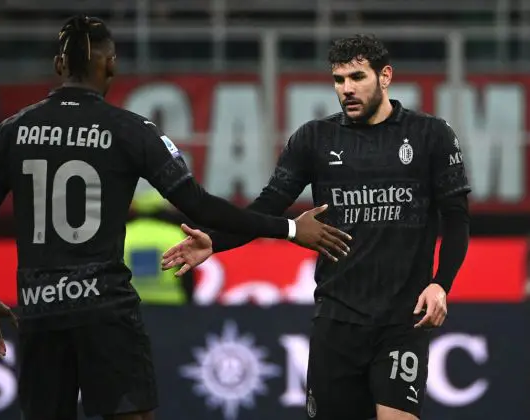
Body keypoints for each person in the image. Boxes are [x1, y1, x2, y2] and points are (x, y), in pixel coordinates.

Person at [0, 15, 352, 420]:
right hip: (105, 311)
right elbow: (199, 205)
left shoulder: (12, 131)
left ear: (59, 65)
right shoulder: (132, 131)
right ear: (111, 64)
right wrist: (287, 227)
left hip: (39, 312)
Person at [161, 34, 471, 420]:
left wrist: (442, 283)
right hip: (337, 319)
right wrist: (216, 243)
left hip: (401, 320)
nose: (347, 89)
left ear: (385, 76)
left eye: (357, 77)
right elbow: (268, 206)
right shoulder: (314, 139)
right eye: (339, 80)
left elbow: (456, 219)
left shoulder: (430, 135)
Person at [125, 185, 194, 304]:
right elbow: (187, 276)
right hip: (171, 305)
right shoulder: (176, 234)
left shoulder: (124, 234)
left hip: (133, 304)